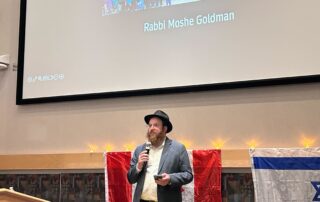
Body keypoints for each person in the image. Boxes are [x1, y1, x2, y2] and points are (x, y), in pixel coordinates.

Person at [127, 110, 193, 202]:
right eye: (150, 125)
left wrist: (170, 178)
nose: (151, 128)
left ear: (164, 129)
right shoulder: (140, 149)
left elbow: (188, 175)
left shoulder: (178, 148)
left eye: (156, 125)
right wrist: (138, 166)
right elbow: (130, 179)